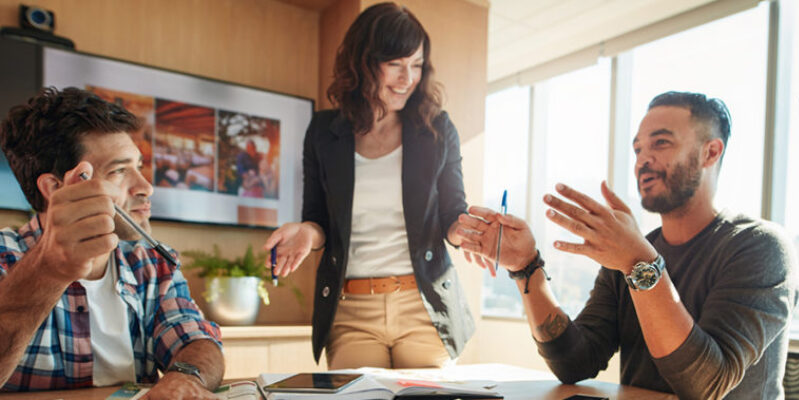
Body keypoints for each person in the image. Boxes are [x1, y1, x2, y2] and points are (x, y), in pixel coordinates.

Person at [458, 91, 799, 399]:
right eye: (638, 149)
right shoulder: (631, 253)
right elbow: (575, 362)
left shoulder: (761, 248)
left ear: (710, 152)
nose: (642, 160)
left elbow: (705, 385)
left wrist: (639, 262)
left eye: (661, 143)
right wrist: (526, 266)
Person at [263, 2, 474, 369]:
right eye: (395, 64)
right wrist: (305, 233)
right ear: (363, 62)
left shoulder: (437, 130)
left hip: (423, 306)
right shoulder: (324, 132)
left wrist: (470, 232)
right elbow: (317, 220)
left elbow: (453, 215)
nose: (408, 78)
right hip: (351, 311)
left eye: (417, 65)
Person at [0, 87, 224, 399]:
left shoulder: (152, 262)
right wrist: (48, 271)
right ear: (55, 187)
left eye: (139, 166)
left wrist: (186, 378)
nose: (146, 187)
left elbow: (195, 339)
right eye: (119, 171)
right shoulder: (3, 257)